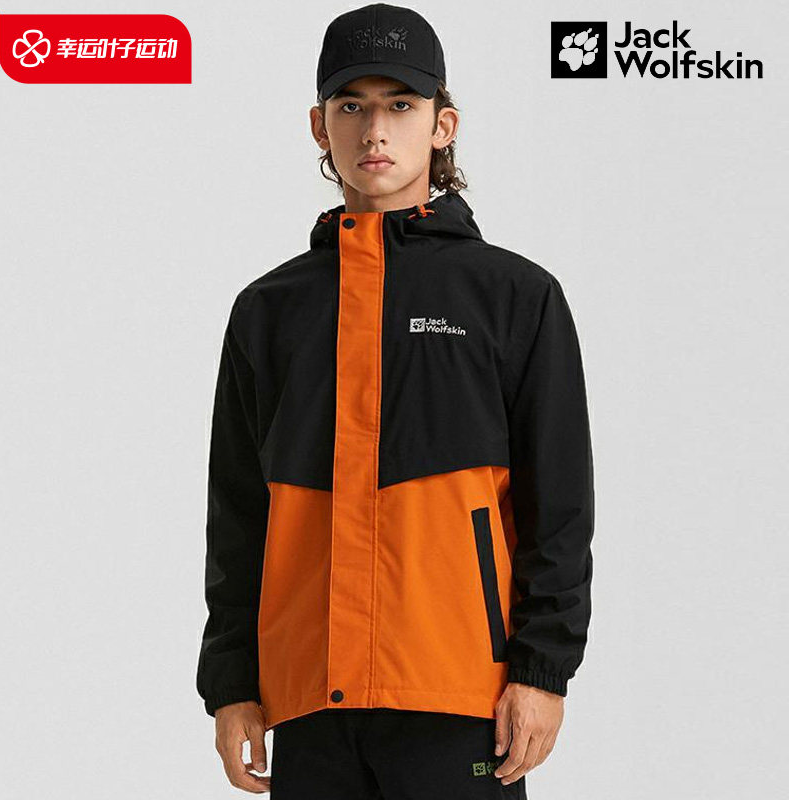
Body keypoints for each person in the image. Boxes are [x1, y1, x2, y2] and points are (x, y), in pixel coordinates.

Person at [196, 3, 595, 797]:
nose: (375, 130)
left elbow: (559, 505)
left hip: (461, 694)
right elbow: (238, 514)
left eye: (401, 106)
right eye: (351, 107)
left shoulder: (514, 297)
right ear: (320, 126)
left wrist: (542, 671)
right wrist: (232, 683)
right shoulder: (268, 311)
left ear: (443, 125)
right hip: (308, 697)